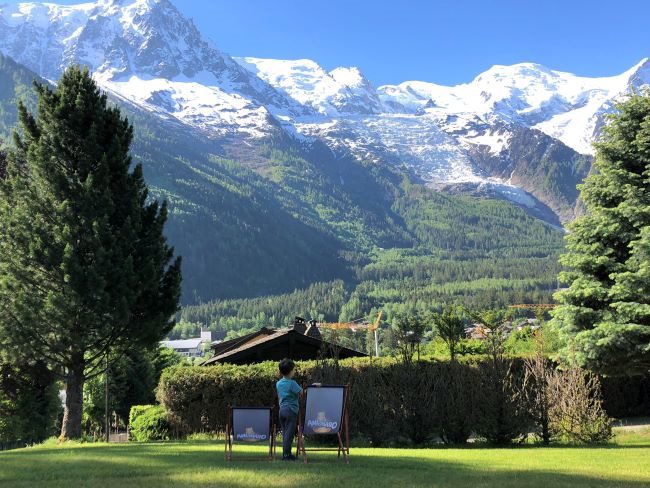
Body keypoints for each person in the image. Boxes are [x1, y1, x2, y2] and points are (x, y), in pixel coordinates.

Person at [276, 358, 302, 461]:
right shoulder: (292, 383)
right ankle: (286, 456)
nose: (294, 371)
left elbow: (279, 397)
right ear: (290, 371)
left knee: (285, 433)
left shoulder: (278, 383)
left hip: (282, 410)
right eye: (294, 369)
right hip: (291, 410)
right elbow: (301, 393)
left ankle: (287, 453)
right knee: (289, 434)